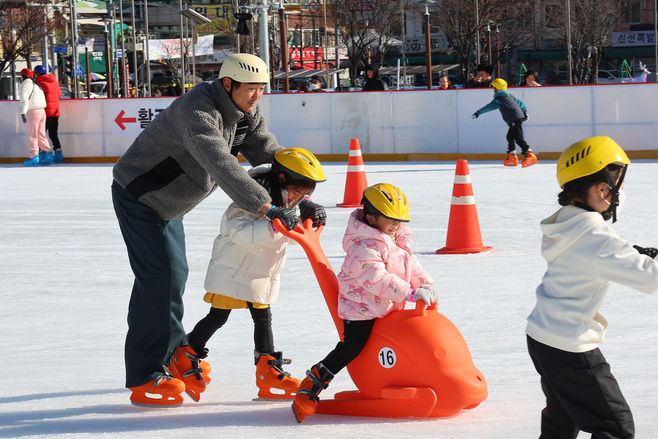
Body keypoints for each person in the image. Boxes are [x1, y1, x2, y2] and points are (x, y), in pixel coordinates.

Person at [111, 53, 311, 407]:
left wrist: (302, 195)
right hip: (140, 197)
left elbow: (269, 153)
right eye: (250, 88)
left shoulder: (246, 114)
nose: (256, 96)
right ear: (228, 84)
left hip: (169, 204)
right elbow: (223, 166)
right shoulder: (197, 112)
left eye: (261, 88)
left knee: (171, 277)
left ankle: (173, 355)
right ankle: (144, 374)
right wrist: (269, 208)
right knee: (159, 278)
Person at [525, 135, 658, 439]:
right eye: (618, 187)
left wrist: (633, 251)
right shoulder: (595, 238)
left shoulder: (567, 223)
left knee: (562, 417)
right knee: (614, 426)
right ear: (601, 189)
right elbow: (649, 277)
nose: (620, 194)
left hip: (542, 337)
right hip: (570, 345)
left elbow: (598, 253)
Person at [184, 147, 326, 401]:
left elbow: (286, 237)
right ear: (281, 180)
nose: (298, 198)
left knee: (263, 318)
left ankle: (267, 370)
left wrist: (306, 220)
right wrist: (274, 225)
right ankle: (184, 355)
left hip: (260, 273)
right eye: (297, 192)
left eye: (305, 194)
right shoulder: (249, 196)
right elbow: (235, 231)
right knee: (218, 316)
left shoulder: (283, 199)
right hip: (234, 270)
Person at [291, 183, 439, 423]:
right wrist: (410, 293)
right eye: (390, 219)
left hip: (388, 307)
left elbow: (412, 265)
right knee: (353, 347)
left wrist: (426, 284)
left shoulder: (396, 239)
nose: (396, 225)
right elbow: (376, 279)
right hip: (361, 308)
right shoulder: (363, 246)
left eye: (400, 220)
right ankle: (315, 381)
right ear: (370, 217)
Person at [471, 78, 537, 167]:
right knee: (510, 137)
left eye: (493, 87)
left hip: (514, 119)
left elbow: (489, 107)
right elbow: (521, 103)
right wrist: (524, 113)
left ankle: (529, 154)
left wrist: (479, 112)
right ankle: (512, 156)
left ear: (497, 88)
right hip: (517, 118)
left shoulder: (500, 99)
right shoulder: (509, 95)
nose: (493, 89)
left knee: (518, 138)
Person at [19, 68, 52, 167]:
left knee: (32, 135)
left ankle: (34, 157)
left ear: (23, 76)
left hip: (33, 111)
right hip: (42, 111)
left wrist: (23, 113)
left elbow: (25, 99)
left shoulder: (25, 85)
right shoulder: (36, 84)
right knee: (41, 134)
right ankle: (47, 155)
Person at [34, 65, 64, 163]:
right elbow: (59, 94)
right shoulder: (55, 82)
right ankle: (58, 153)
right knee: (53, 133)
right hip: (55, 112)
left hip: (45, 112)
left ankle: (43, 153)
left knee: (41, 134)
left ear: (37, 73)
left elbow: (37, 97)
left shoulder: (39, 83)